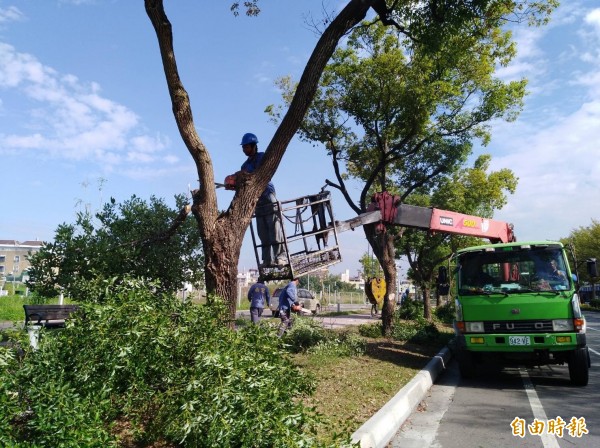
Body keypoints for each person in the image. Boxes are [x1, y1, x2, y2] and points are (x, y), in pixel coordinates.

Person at [232, 133, 287, 268]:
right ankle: (267, 259)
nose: (244, 150)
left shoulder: (262, 157)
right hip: (256, 201)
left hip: (267, 195)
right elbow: (245, 186)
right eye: (243, 147)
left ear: (253, 146)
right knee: (263, 232)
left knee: (275, 229)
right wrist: (234, 184)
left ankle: (281, 257)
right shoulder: (244, 166)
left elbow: (258, 175)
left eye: (246, 147)